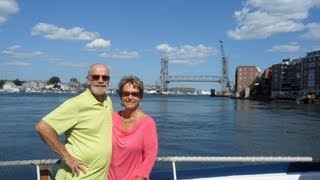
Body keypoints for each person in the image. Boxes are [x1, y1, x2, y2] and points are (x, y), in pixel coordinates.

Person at [35, 63, 113, 179]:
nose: (100, 80)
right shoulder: (76, 104)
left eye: (105, 77)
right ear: (88, 80)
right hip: (77, 176)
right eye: (96, 77)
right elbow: (43, 127)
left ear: (109, 81)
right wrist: (67, 157)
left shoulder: (108, 100)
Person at [108, 75, 158, 180]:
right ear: (121, 96)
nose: (130, 97)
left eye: (135, 94)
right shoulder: (112, 119)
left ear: (140, 97)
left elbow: (150, 156)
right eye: (126, 93)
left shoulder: (147, 123)